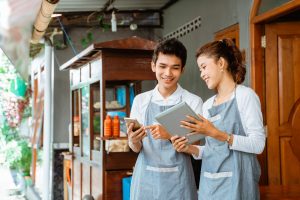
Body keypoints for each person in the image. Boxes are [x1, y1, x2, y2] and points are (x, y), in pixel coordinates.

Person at [171, 38, 266, 200]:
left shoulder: (245, 96)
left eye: (204, 67)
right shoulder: (208, 105)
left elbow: (258, 145)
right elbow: (213, 151)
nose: (202, 74)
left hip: (239, 183)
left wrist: (216, 133)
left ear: (221, 63)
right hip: (210, 183)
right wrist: (189, 149)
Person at [127, 38, 203, 200]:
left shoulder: (192, 101)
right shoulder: (141, 100)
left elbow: (195, 146)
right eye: (162, 66)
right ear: (153, 66)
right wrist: (133, 141)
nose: (168, 74)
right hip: (145, 180)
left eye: (175, 68)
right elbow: (136, 148)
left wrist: (168, 134)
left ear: (182, 69)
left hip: (179, 181)